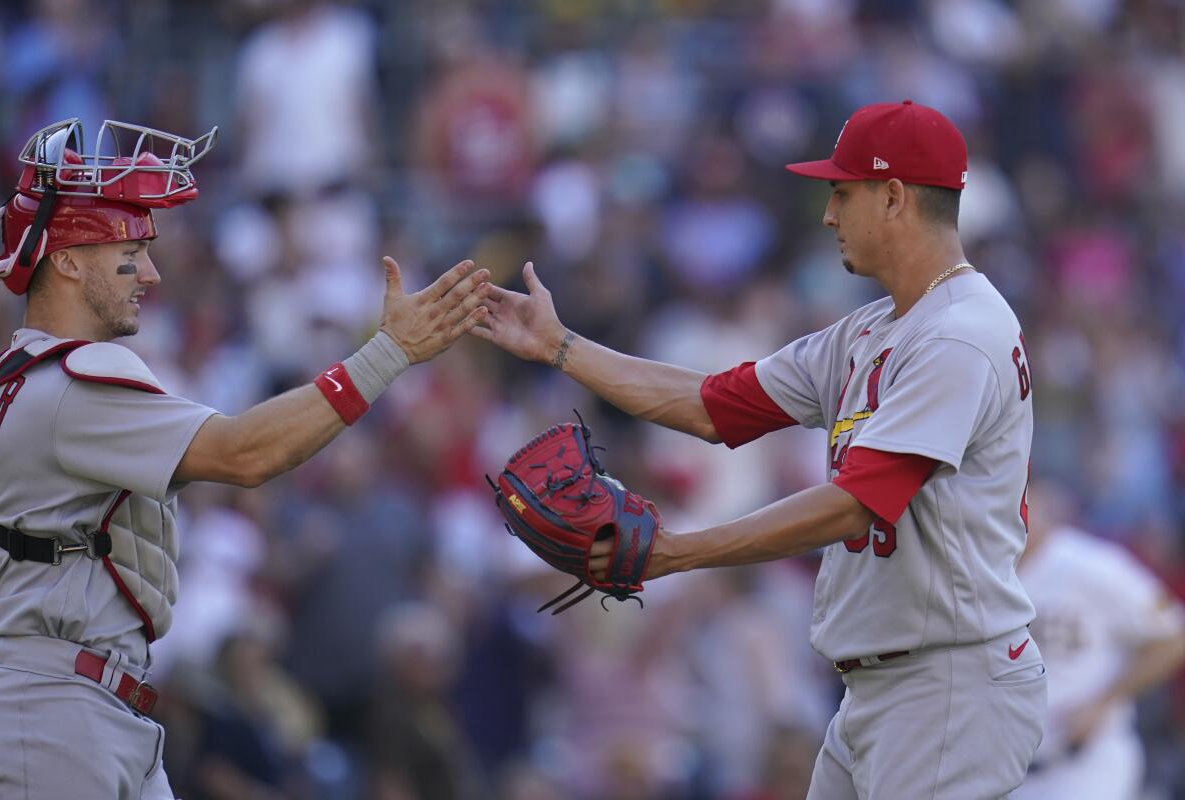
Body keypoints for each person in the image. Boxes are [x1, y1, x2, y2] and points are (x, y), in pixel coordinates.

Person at [475, 100, 1047, 799]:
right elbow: (710, 406)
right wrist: (561, 348)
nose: (829, 214)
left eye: (842, 192)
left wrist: (680, 552)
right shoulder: (874, 330)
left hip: (950, 685)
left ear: (894, 196)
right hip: (889, 687)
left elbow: (857, 503)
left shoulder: (960, 334)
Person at [0, 118, 489, 799]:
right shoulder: (76, 377)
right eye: (129, 252)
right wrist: (388, 352)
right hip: (52, 711)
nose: (151, 272)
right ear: (68, 261)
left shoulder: (14, 376)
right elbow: (245, 453)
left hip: (68, 697)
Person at [1011, 481, 1185, 800]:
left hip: (1086, 766)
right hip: (1011, 775)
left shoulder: (1088, 564)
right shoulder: (985, 574)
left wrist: (1103, 700)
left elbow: (1174, 636)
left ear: (1037, 498)